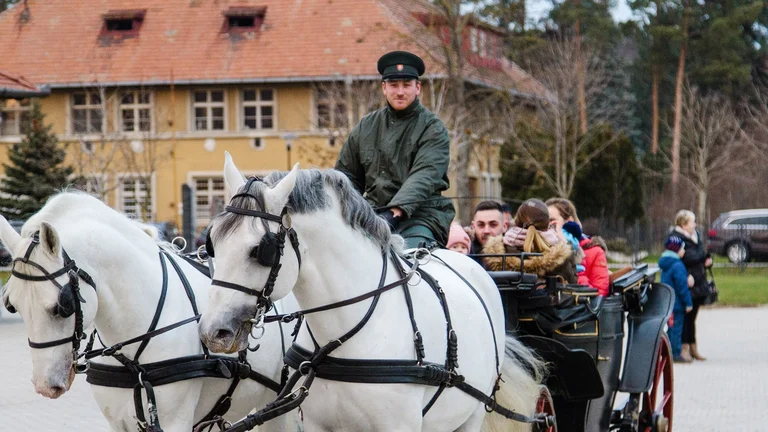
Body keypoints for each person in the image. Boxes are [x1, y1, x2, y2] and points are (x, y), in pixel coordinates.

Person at [335, 51, 454, 248]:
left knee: (410, 262)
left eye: (406, 85)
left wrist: (394, 212)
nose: (400, 91)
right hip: (372, 216)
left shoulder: (432, 128)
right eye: (394, 85)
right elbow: (347, 177)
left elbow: (424, 175)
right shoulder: (366, 126)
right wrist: (343, 210)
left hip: (420, 218)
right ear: (384, 88)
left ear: (417, 88)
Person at [484, 199, 578, 283]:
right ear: (547, 225)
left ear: (516, 222)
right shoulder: (558, 256)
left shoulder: (495, 254)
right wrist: (564, 244)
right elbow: (572, 284)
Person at [547, 198, 610, 296]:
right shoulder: (542, 248)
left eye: (552, 221)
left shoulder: (594, 251)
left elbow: (599, 294)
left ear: (569, 221)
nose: (548, 226)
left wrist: (574, 268)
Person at [674, 209, 712, 361]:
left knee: (693, 316)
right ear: (683, 224)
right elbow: (689, 257)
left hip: (698, 280)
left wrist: (707, 261)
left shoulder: (695, 237)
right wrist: (703, 256)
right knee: (686, 317)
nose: (695, 224)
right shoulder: (677, 239)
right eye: (692, 222)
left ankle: (693, 346)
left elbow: (699, 255)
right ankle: (684, 348)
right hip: (687, 282)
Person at [658, 236, 694, 363]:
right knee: (677, 329)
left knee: (671, 328)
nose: (684, 251)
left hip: (668, 302)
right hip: (677, 304)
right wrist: (688, 302)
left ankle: (668, 351)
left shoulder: (665, 264)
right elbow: (681, 286)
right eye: (682, 248)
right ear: (676, 250)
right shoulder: (677, 265)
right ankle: (675, 353)